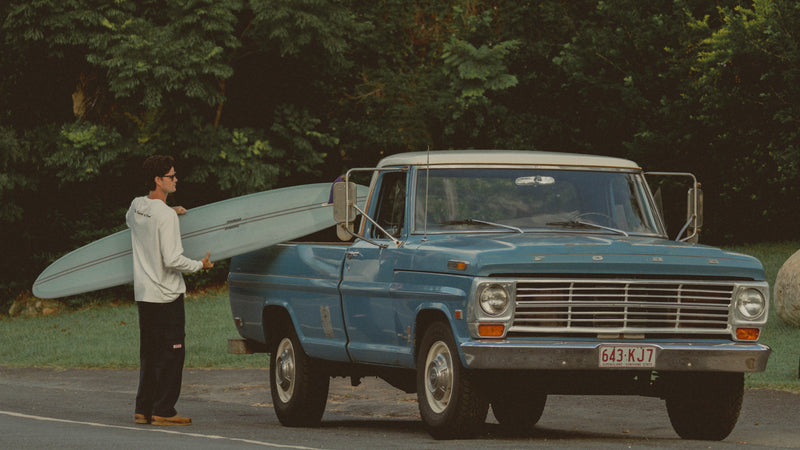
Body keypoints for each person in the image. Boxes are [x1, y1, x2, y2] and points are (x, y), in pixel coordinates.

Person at [126, 155, 213, 426]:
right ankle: (164, 410)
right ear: (158, 180)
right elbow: (173, 259)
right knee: (173, 353)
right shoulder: (165, 216)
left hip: (144, 295)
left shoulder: (137, 206)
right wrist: (201, 265)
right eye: (171, 176)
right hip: (166, 296)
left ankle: (144, 409)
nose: (176, 180)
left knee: (149, 352)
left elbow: (136, 221)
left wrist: (169, 210)